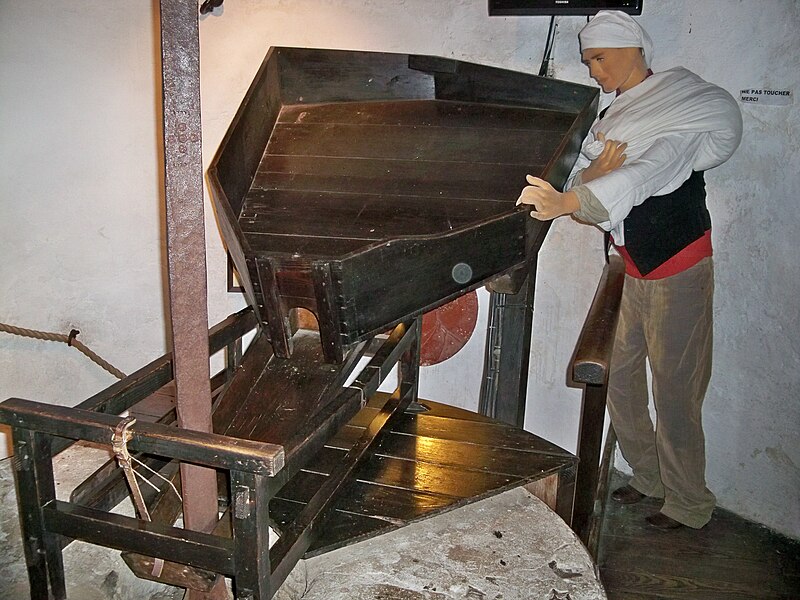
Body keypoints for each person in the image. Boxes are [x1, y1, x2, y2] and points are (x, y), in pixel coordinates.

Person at [517, 10, 742, 530]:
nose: (594, 71)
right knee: (618, 378)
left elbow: (646, 173)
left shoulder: (677, 108)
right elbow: (593, 177)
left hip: (677, 268)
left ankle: (688, 503)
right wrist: (587, 181)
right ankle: (648, 476)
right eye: (588, 62)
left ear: (633, 49)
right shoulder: (616, 118)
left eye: (600, 58)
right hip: (629, 265)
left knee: (676, 389)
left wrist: (572, 199)